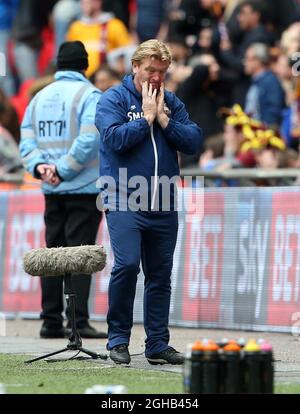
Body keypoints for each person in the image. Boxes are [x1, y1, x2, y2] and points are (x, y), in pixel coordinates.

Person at [95, 39, 202, 365]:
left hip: (164, 198)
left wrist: (164, 120)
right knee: (126, 265)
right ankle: (118, 339)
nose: (155, 77)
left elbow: (194, 140)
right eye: (149, 70)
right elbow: (113, 139)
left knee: (160, 274)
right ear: (135, 67)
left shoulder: (172, 102)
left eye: (161, 71)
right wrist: (145, 119)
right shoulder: (113, 98)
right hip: (124, 195)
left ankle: (157, 343)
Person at [19, 41, 107, 340]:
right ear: (86, 66)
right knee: (79, 254)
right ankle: (77, 322)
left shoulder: (38, 97)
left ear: (58, 65)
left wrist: (42, 168)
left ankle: (50, 321)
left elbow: (27, 142)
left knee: (52, 253)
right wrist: (64, 169)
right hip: (82, 187)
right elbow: (88, 141)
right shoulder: (90, 96)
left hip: (51, 188)